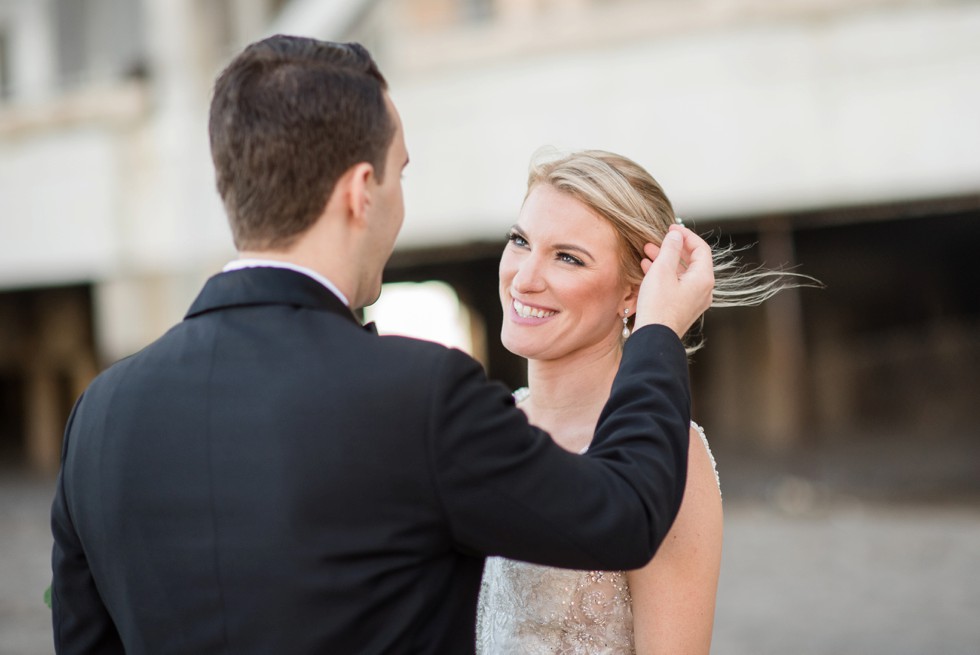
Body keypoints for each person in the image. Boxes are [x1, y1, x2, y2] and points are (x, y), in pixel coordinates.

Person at [49, 37, 714, 655]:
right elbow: (623, 511)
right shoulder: (420, 398)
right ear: (360, 193)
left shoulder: (99, 417)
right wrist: (658, 332)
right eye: (400, 173)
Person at [476, 149, 806, 654]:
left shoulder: (671, 454)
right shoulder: (484, 426)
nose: (524, 278)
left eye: (568, 257)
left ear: (633, 294)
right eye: (520, 241)